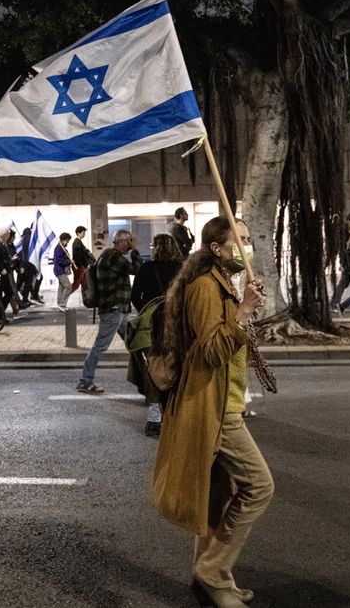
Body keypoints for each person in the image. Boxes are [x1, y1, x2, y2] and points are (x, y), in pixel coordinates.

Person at [151, 217, 270, 608]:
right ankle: (213, 569)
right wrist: (242, 313)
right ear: (217, 249)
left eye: (249, 240)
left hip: (225, 400)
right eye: (241, 240)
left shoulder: (223, 282)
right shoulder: (205, 287)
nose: (247, 247)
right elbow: (211, 351)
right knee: (259, 486)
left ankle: (212, 578)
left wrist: (245, 309)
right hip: (216, 408)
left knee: (216, 497)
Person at [129, 234, 183, 436]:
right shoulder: (182, 268)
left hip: (152, 324)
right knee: (176, 365)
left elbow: (135, 296)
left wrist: (148, 309)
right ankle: (174, 414)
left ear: (156, 248)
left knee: (153, 366)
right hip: (176, 324)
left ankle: (154, 418)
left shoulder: (146, 268)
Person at [76, 228, 140, 394]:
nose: (130, 244)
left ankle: (145, 378)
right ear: (120, 241)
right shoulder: (113, 257)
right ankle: (85, 381)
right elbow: (136, 269)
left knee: (135, 343)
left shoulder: (108, 256)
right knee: (100, 346)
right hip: (113, 310)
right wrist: (135, 251)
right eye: (128, 241)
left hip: (119, 310)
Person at [330, 212, 350, 312]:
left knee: (344, 283)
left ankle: (335, 303)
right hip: (348, 262)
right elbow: (343, 248)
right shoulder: (345, 232)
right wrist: (342, 263)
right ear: (349, 220)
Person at [53, 232, 74, 310]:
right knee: (68, 286)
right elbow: (59, 260)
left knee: (62, 287)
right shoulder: (59, 248)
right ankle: (62, 304)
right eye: (67, 241)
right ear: (63, 240)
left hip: (59, 270)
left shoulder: (61, 248)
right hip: (60, 270)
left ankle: (60, 304)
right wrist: (69, 262)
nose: (67, 243)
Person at [70, 226, 93, 291]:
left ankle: (86, 299)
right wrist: (82, 266)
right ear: (78, 233)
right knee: (77, 284)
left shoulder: (78, 242)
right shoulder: (77, 243)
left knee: (84, 284)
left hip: (80, 266)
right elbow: (78, 256)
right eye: (83, 233)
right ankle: (65, 295)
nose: (84, 234)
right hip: (79, 267)